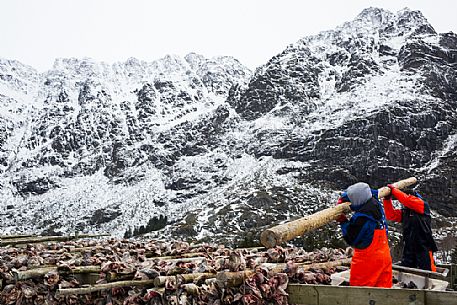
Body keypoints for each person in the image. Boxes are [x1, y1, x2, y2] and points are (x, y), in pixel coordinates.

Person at [336, 182, 392, 288]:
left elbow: (351, 238)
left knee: (361, 294)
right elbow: (370, 192)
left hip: (368, 263)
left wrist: (343, 222)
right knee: (384, 294)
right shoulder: (374, 202)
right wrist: (344, 197)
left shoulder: (362, 218)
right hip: (384, 257)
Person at [382, 185, 438, 271]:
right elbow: (391, 215)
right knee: (407, 270)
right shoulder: (406, 212)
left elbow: (407, 200)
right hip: (409, 247)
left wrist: (394, 190)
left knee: (428, 270)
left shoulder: (422, 205)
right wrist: (387, 200)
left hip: (424, 247)